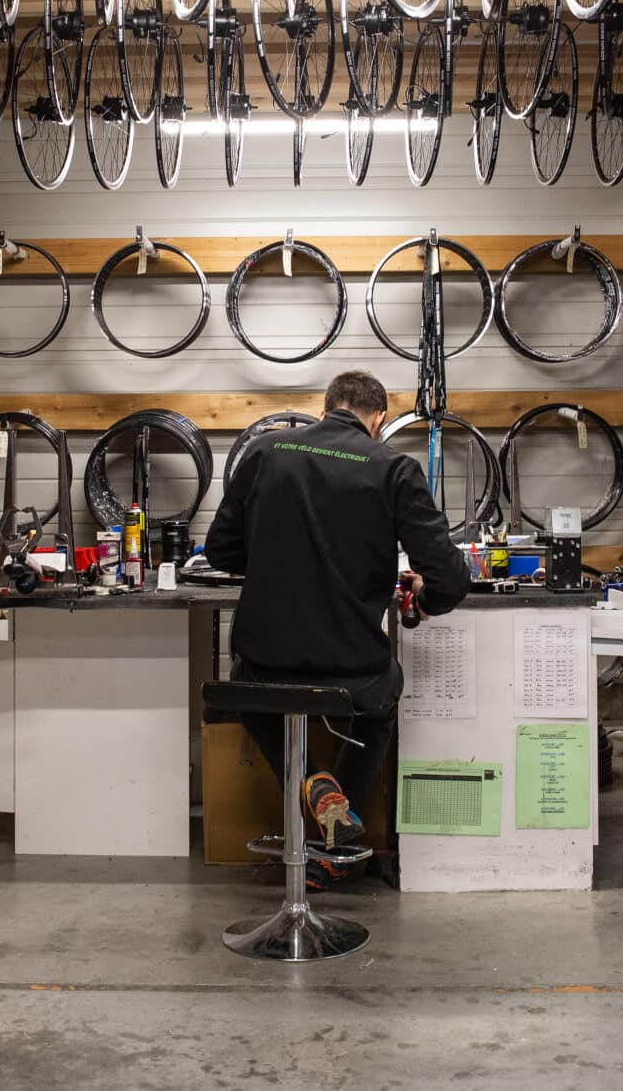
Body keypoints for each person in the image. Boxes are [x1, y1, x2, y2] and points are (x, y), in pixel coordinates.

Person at [206, 369, 471, 886]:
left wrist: (276, 554)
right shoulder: (395, 468)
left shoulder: (265, 451)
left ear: (324, 409)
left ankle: (313, 785)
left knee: (251, 693)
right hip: (351, 669)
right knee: (385, 695)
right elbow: (449, 581)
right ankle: (336, 828)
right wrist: (424, 595)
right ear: (379, 421)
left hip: (264, 663)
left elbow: (220, 551)